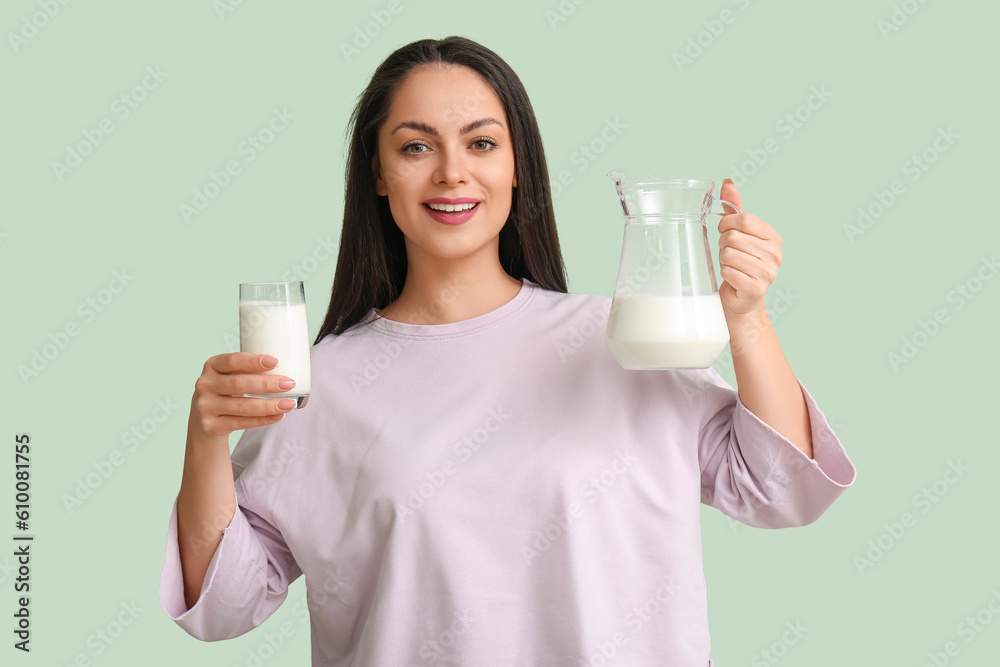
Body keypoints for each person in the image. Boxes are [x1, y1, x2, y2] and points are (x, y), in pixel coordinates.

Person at [159, 35, 856, 666]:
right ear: (378, 172)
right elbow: (222, 606)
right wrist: (204, 439)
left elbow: (784, 489)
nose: (452, 172)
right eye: (415, 146)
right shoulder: (324, 384)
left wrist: (749, 320)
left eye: (482, 143)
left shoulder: (625, 341)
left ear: (518, 166)